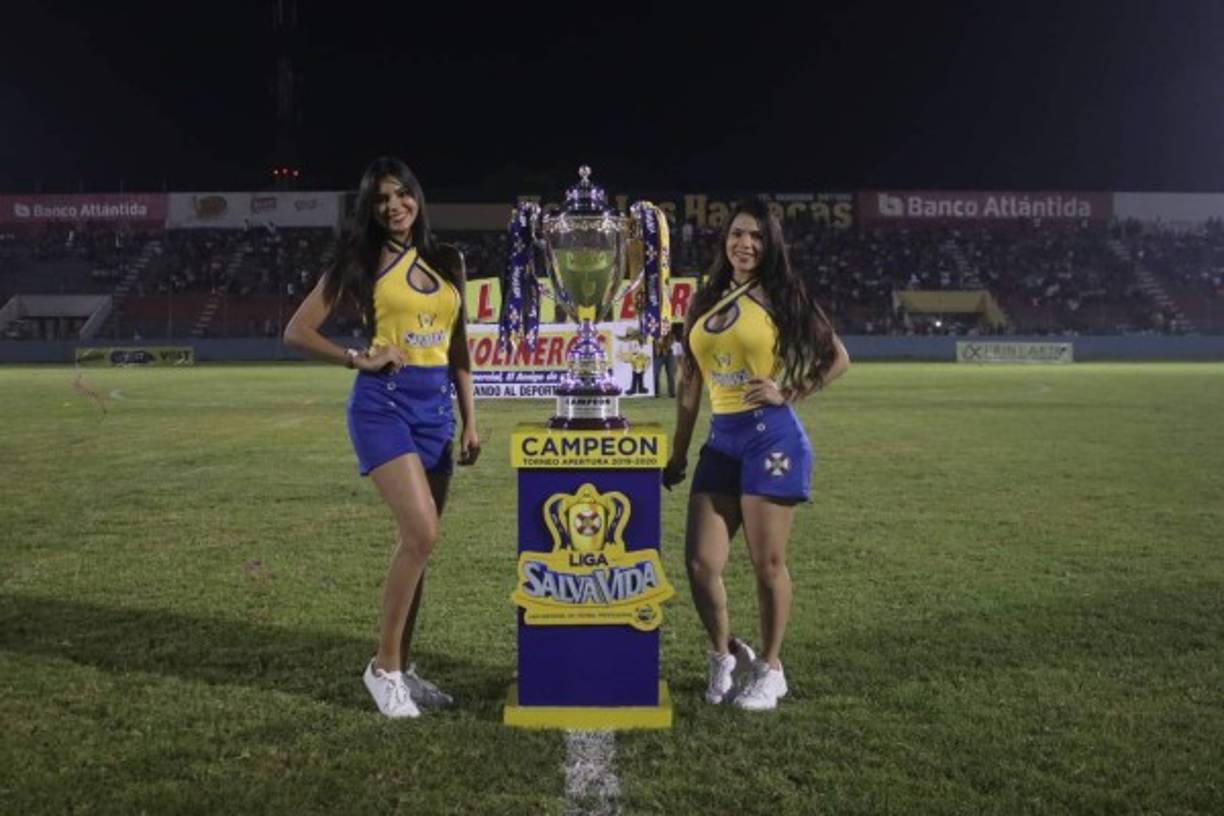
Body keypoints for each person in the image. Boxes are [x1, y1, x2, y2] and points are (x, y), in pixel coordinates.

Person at [284, 156, 480, 719]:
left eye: (401, 194)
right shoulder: (360, 260)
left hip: (436, 413)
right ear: (370, 210)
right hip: (383, 407)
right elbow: (297, 330)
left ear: (416, 196)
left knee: (420, 546)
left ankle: (404, 667)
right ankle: (384, 668)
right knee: (421, 533)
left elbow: (459, 346)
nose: (394, 207)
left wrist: (470, 419)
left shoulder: (448, 260)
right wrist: (356, 357)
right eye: (381, 200)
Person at [662, 199, 849, 711]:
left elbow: (837, 357)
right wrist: (678, 454)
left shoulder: (781, 293)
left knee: (767, 565)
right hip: (721, 440)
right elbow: (689, 387)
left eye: (757, 237)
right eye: (738, 234)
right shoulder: (704, 300)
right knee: (701, 563)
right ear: (725, 240)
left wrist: (790, 391)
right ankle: (724, 655)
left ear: (770, 246)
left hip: (771, 441)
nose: (745, 244)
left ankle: (770, 669)